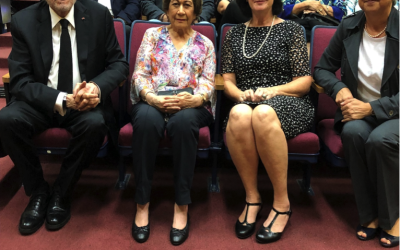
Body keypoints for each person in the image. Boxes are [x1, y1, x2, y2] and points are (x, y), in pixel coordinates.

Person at [0, 0, 129, 235]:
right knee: (7, 119)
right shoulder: (23, 20)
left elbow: (118, 64)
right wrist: (61, 99)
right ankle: (37, 190)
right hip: (42, 102)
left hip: (84, 104)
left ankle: (62, 191)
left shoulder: (99, 15)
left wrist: (96, 88)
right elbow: (19, 80)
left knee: (95, 124)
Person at [221, 0, 314, 244]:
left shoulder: (292, 30)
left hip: (286, 101)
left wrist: (272, 91)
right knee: (239, 113)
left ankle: (282, 203)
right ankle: (252, 198)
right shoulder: (235, 34)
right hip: (248, 101)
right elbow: (228, 81)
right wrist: (239, 95)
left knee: (262, 112)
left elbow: (304, 82)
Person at [314, 0, 400, 247]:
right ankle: (369, 214)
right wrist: (338, 87)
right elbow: (322, 69)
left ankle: (393, 215)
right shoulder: (349, 26)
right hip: (358, 115)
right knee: (352, 132)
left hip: (394, 114)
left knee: (381, 139)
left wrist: (371, 108)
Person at [130, 0, 215, 245]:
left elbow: (209, 82)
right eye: (175, 4)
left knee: (183, 122)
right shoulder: (152, 36)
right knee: (146, 121)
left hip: (192, 105)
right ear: (166, 9)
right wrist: (152, 98)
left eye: (187, 5)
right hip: (152, 99)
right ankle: (142, 203)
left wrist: (196, 99)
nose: (180, 10)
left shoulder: (205, 43)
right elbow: (140, 74)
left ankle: (181, 205)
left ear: (195, 11)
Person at [140, 0, 214, 22]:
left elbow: (208, 4)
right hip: (162, 19)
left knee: (205, 26)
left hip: (194, 20)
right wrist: (161, 16)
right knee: (153, 22)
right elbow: (146, 2)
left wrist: (198, 18)